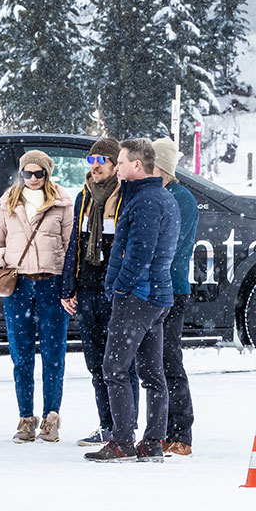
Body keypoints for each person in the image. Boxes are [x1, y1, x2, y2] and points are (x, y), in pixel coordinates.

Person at [86, 138, 180, 463]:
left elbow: (139, 254)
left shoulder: (146, 202)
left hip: (138, 297)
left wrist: (120, 287)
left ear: (137, 166)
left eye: (122, 162)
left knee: (114, 368)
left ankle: (122, 441)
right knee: (153, 372)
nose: (118, 167)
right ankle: (153, 441)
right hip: (156, 296)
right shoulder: (161, 197)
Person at [0, 150, 74, 444]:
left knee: (53, 356)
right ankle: (25, 418)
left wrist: (66, 282)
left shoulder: (62, 203)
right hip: (18, 287)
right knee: (21, 357)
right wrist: (7, 258)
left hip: (51, 286)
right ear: (21, 174)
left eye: (39, 174)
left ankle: (51, 417)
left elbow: (70, 245)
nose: (33, 179)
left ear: (48, 175)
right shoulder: (8, 203)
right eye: (28, 174)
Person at [61, 137, 138, 446]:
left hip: (115, 291)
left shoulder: (126, 198)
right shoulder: (83, 198)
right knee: (96, 364)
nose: (94, 167)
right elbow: (74, 246)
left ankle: (125, 428)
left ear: (113, 164)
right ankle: (107, 424)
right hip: (88, 290)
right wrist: (69, 286)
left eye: (100, 161)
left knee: (120, 364)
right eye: (90, 162)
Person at [152, 137, 199, 457]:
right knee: (153, 363)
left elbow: (169, 245)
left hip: (171, 288)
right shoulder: (157, 194)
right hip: (153, 289)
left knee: (169, 359)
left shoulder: (180, 198)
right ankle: (161, 429)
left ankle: (181, 430)